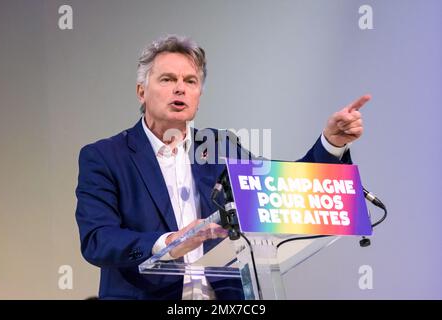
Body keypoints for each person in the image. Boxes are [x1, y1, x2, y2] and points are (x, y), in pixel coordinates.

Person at [75, 34, 370, 300]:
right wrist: (167, 243)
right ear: (141, 92)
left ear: (199, 96)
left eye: (190, 81)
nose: (180, 88)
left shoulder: (219, 146)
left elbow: (286, 193)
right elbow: (98, 240)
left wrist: (332, 143)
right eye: (167, 79)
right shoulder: (104, 156)